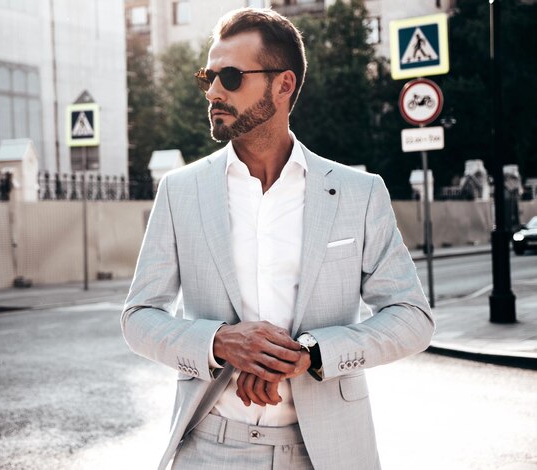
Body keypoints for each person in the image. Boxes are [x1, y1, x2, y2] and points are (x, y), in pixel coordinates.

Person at [121, 7, 434, 470]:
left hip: (326, 452)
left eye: (230, 76)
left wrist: (310, 354)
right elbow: (139, 317)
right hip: (211, 448)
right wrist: (221, 343)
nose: (212, 91)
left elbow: (413, 318)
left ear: (283, 85)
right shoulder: (180, 191)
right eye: (208, 76)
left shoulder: (358, 193)